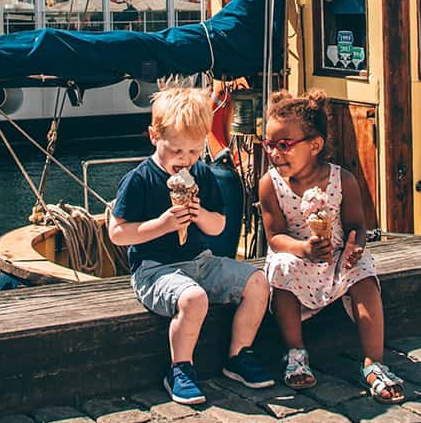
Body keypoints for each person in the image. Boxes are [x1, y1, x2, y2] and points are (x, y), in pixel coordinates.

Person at [108, 85, 274, 405]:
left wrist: (199, 215)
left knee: (258, 281)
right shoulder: (140, 179)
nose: (185, 161)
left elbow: (219, 226)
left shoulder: (202, 173)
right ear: (154, 136)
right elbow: (118, 233)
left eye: (194, 151)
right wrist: (164, 224)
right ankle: (180, 368)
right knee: (194, 298)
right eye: (177, 151)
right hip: (154, 269)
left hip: (201, 261)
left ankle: (238, 355)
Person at [258, 89, 404, 403]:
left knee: (364, 275)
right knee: (281, 269)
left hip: (336, 258)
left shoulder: (343, 180)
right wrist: (303, 249)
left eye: (284, 145)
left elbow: (357, 226)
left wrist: (355, 247)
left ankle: (373, 362)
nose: (274, 153)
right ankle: (296, 352)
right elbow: (274, 237)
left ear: (315, 145)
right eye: (268, 145)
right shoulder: (270, 184)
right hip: (296, 254)